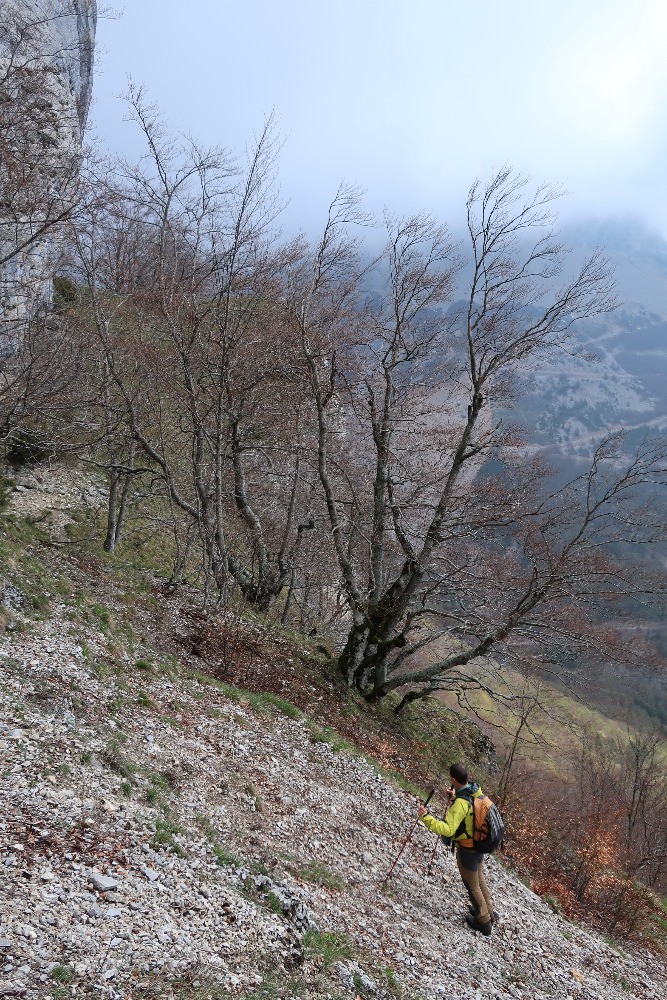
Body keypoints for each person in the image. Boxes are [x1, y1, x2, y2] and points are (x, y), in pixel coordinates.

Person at [418, 762, 495, 936]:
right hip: (479, 844)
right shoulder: (475, 791)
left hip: (467, 849)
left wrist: (426, 817)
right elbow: (470, 811)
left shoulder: (460, 803)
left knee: (471, 884)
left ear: (453, 779)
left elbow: (448, 829)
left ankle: (483, 921)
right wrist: (455, 796)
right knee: (479, 878)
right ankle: (489, 911)